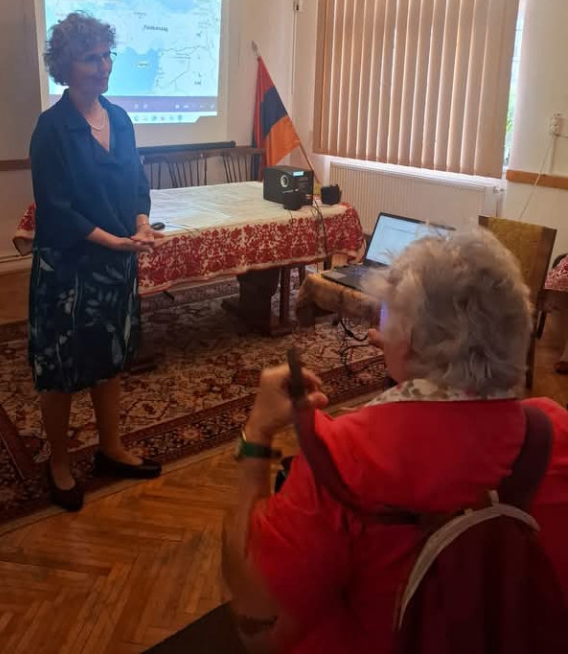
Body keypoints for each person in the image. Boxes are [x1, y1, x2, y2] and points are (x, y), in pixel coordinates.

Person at [223, 229, 568, 653]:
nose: (378, 329)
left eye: (384, 317)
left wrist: (257, 435)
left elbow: (258, 626)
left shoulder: (344, 456)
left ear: (410, 343)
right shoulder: (554, 429)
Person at [29, 11, 162, 512]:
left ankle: (111, 449)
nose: (104, 66)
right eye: (91, 58)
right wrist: (115, 241)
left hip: (115, 264)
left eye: (107, 55)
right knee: (61, 370)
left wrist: (141, 224)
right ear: (66, 66)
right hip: (68, 268)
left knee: (110, 359)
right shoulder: (52, 129)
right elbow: (57, 209)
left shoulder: (120, 119)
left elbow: (136, 184)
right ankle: (60, 463)